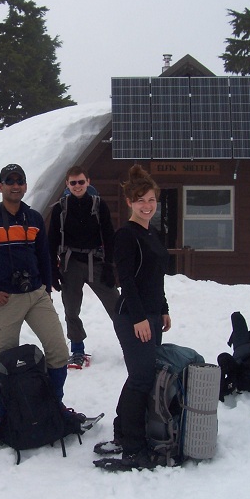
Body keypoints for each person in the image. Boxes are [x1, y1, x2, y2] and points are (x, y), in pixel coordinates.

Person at [0, 164, 85, 427]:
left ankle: (53, 406)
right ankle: (5, 419)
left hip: (37, 295)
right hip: (6, 300)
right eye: (10, 181)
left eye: (20, 181)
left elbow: (44, 257)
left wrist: (47, 289)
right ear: (1, 186)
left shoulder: (34, 218)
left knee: (58, 352)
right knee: (5, 360)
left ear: (26, 186)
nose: (15, 186)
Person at [101, 164, 172, 469]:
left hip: (153, 315)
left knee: (139, 376)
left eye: (152, 200)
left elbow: (156, 277)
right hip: (133, 316)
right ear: (130, 202)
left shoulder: (153, 233)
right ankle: (131, 445)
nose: (147, 206)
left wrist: (164, 308)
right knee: (142, 378)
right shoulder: (126, 235)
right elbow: (127, 280)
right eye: (141, 200)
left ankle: (122, 431)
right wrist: (140, 318)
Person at [48, 166, 119, 366]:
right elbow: (51, 240)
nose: (77, 186)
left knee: (116, 305)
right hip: (70, 263)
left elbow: (109, 235)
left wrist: (109, 266)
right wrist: (53, 269)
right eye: (73, 183)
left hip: (96, 262)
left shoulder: (99, 205)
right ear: (67, 185)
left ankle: (130, 345)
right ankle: (77, 349)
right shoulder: (60, 209)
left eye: (81, 182)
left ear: (88, 181)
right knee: (71, 308)